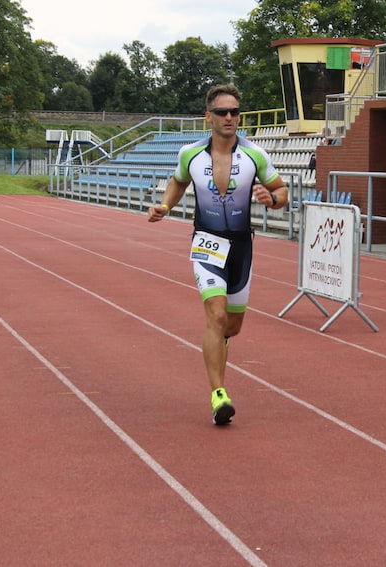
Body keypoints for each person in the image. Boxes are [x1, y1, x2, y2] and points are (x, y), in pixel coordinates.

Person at [147, 84, 288, 425]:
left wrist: (273, 200)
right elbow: (178, 181)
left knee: (232, 327)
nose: (229, 118)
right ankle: (218, 394)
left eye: (235, 112)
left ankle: (218, 351)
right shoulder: (190, 154)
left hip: (241, 245)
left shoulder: (255, 155)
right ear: (208, 116)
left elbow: (281, 190)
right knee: (216, 314)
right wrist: (166, 204)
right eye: (223, 112)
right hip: (207, 243)